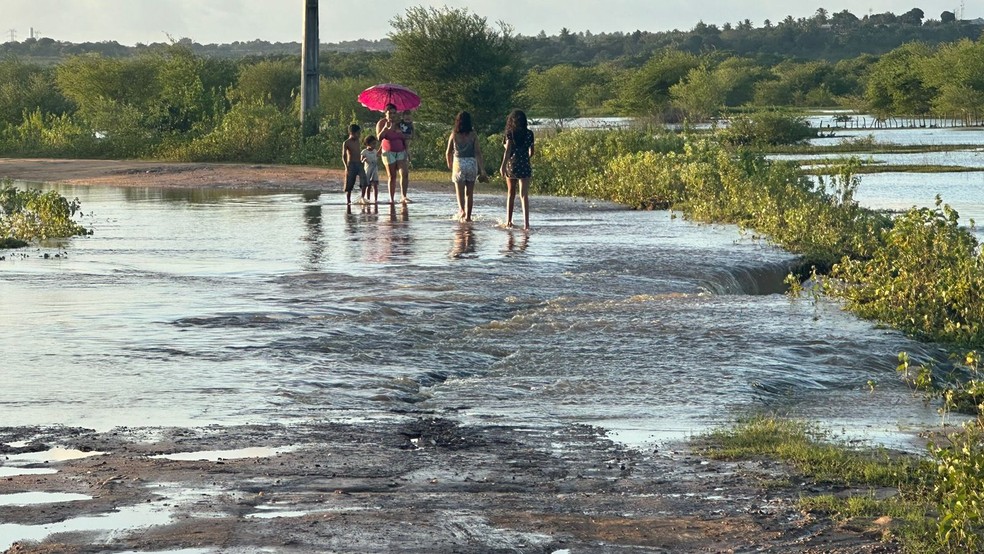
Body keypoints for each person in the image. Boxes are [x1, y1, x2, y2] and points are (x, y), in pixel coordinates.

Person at [445, 111, 487, 222]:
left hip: (459, 163)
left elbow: (448, 151)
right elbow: (477, 152)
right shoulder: (473, 134)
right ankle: (468, 216)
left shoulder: (454, 134)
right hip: (471, 163)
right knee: (469, 193)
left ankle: (461, 210)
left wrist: (449, 164)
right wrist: (482, 169)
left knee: (460, 192)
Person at [499, 109, 534, 230]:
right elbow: (531, 151)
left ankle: (509, 221)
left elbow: (507, 150)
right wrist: (525, 156)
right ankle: (526, 224)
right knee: (524, 195)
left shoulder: (510, 133)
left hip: (512, 165)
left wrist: (503, 166)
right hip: (524, 165)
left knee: (511, 193)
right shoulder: (530, 134)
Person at [375, 103, 411, 205]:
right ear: (385, 113)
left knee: (404, 173)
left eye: (394, 113)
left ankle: (404, 196)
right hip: (388, 151)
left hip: (400, 150)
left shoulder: (400, 123)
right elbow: (379, 138)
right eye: (389, 113)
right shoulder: (382, 123)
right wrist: (386, 129)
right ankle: (391, 198)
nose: (392, 115)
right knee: (392, 176)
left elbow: (408, 137)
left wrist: (401, 134)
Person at [342, 124, 367, 205]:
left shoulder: (357, 141)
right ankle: (348, 201)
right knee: (349, 184)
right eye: (358, 133)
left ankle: (362, 198)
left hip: (359, 163)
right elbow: (344, 155)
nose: (359, 135)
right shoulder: (346, 142)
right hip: (351, 164)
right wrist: (346, 166)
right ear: (351, 133)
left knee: (364, 181)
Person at [361, 135, 380, 204]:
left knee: (375, 185)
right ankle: (367, 199)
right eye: (373, 144)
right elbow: (361, 160)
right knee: (368, 186)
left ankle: (376, 200)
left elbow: (378, 155)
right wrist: (364, 160)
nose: (375, 145)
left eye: (375, 143)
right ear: (368, 144)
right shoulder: (364, 151)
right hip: (368, 170)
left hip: (374, 170)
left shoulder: (375, 151)